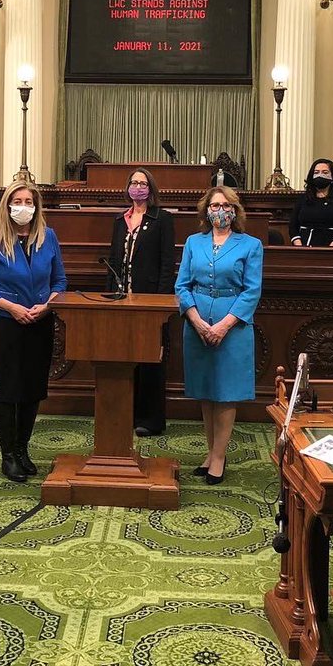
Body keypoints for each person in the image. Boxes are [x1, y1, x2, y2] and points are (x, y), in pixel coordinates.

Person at [0, 181, 67, 483]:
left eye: (29, 201)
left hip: (40, 322)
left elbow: (59, 282)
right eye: (18, 201)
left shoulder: (48, 237)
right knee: (9, 389)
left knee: (32, 389)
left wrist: (47, 306)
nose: (23, 206)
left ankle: (23, 450)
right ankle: (9, 455)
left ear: (36, 206)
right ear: (8, 205)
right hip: (7, 322)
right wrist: (10, 307)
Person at [175, 186, 263, 485]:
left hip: (233, 326)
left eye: (226, 205)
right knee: (206, 390)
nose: (220, 211)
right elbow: (182, 286)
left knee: (226, 393)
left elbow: (252, 291)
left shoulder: (250, 245)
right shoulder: (193, 242)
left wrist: (224, 324)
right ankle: (210, 452)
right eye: (214, 206)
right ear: (206, 211)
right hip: (197, 322)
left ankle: (219, 457)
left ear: (235, 211)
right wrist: (197, 320)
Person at [107, 168, 177, 437]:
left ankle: (151, 419)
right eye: (134, 183)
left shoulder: (162, 220)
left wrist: (159, 301)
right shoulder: (119, 221)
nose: (138, 187)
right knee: (125, 358)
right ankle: (129, 413)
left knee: (151, 360)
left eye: (143, 183)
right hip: (122, 300)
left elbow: (166, 264)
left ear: (151, 189)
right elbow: (113, 261)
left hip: (150, 302)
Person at [289, 159, 333, 247]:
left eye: (325, 172)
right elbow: (293, 225)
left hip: (331, 248)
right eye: (316, 172)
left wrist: (331, 247)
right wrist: (299, 246)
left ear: (332, 176)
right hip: (304, 246)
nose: (320, 175)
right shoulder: (303, 198)